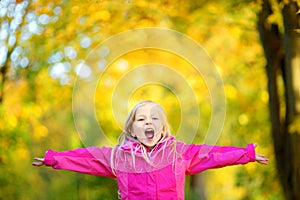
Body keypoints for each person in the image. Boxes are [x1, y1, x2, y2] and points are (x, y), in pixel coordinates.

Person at [32, 100, 268, 200]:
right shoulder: (118, 157)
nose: (148, 122)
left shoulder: (178, 153)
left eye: (154, 118)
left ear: (162, 126)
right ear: (132, 129)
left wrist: (244, 154)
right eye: (141, 119)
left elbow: (212, 154)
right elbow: (86, 158)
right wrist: (54, 159)